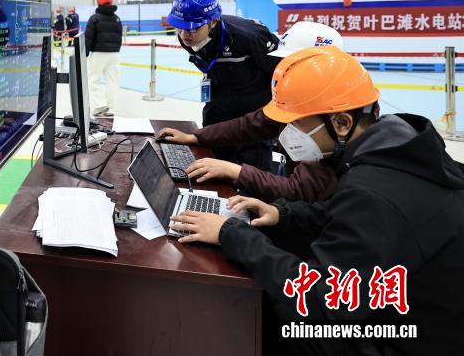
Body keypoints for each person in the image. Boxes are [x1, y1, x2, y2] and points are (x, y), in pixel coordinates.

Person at [170, 46, 464, 356]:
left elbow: (319, 299)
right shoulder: (394, 147)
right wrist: (282, 214)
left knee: (259, 315)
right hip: (412, 311)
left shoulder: (372, 190)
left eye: (295, 124)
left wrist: (233, 234)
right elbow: (343, 215)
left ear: (341, 123)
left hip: (403, 339)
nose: (284, 135)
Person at [158, 22, 345, 202]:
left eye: (293, 66)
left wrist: (235, 171)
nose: (284, 72)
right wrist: (196, 137)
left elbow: (301, 190)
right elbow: (254, 124)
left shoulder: (336, 117)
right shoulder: (305, 99)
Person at [167, 0, 280, 170]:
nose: (185, 35)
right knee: (212, 169)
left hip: (253, 120)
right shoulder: (187, 37)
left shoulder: (250, 36)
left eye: (193, 28)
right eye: (180, 28)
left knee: (251, 177)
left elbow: (281, 72)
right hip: (218, 113)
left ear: (213, 22)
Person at [84, 0, 122, 116]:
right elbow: (119, 37)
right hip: (114, 55)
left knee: (94, 80)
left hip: (98, 54)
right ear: (111, 1)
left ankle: (99, 105)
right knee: (112, 81)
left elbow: (88, 38)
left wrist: (85, 53)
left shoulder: (94, 18)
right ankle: (111, 108)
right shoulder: (117, 19)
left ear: (98, 2)